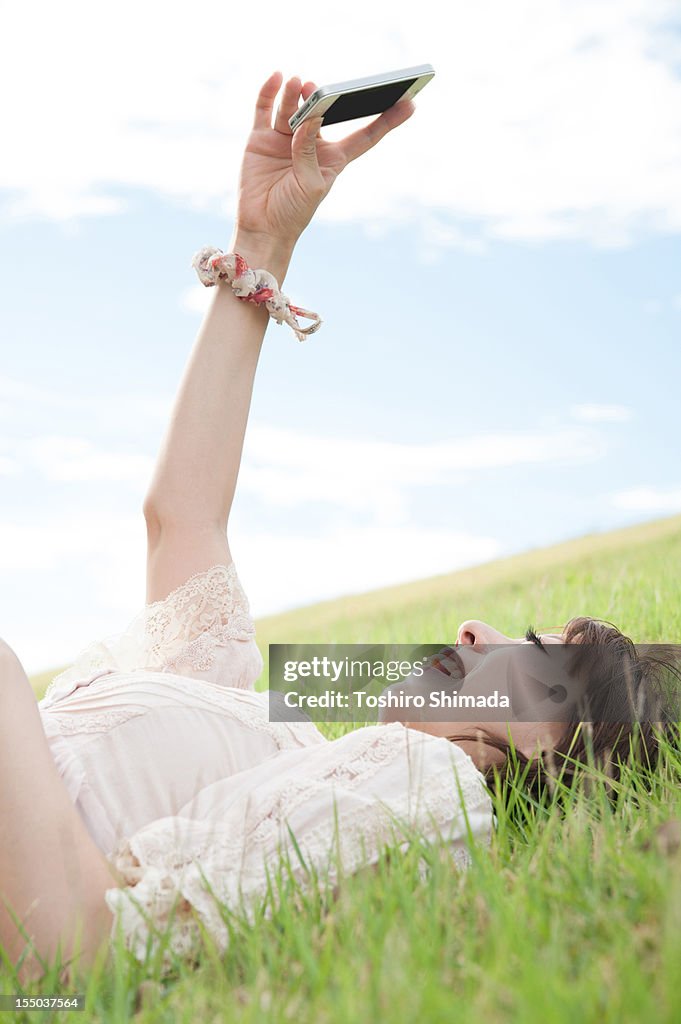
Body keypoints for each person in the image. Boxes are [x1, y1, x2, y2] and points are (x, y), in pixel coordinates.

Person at [0, 70, 674, 983]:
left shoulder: (424, 790)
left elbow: (76, 963)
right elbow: (180, 521)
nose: (472, 629)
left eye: (537, 651)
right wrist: (262, 241)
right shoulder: (281, 732)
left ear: (560, 748)